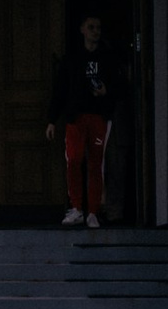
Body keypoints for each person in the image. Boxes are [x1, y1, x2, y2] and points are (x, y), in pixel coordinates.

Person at [45, 12, 119, 226]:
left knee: (96, 163)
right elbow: (60, 89)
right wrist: (52, 119)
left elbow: (119, 85)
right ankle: (77, 207)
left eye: (98, 28)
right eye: (91, 27)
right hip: (75, 118)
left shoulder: (107, 57)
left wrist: (107, 91)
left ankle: (93, 211)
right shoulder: (73, 58)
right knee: (74, 160)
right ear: (82, 30)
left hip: (98, 117)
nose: (95, 31)